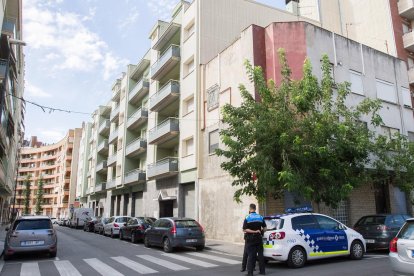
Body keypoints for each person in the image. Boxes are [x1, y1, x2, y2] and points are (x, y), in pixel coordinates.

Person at [243, 203, 266, 276]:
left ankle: (250, 273)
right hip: (259, 239)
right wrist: (260, 232)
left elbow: (245, 229)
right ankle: (262, 271)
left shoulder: (247, 217)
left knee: (251, 256)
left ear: (250, 209)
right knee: (261, 255)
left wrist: (254, 231)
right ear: (255, 209)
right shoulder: (260, 217)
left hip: (251, 239)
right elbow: (265, 228)